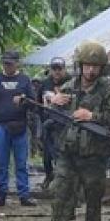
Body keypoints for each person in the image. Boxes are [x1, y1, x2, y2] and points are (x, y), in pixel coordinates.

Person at [36, 40, 110, 221]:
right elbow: (53, 110)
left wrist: (92, 115)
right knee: (60, 201)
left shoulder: (109, 90)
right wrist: (53, 101)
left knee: (93, 205)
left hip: (94, 158)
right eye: (87, 65)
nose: (91, 70)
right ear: (80, 65)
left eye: (95, 66)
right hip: (68, 155)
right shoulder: (70, 86)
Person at [0, 49, 35, 207]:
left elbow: (33, 103)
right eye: (5, 63)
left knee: (21, 163)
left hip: (20, 125)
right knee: (1, 163)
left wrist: (24, 100)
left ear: (16, 63)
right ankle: (1, 194)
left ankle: (24, 195)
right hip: (1, 126)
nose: (7, 66)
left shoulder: (25, 80)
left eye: (10, 63)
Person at [36, 57, 71, 190]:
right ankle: (48, 175)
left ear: (64, 69)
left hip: (64, 124)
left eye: (59, 69)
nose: (57, 72)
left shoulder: (70, 83)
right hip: (47, 123)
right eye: (54, 69)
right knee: (46, 154)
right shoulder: (45, 83)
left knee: (61, 154)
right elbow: (38, 103)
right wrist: (43, 118)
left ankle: (63, 180)